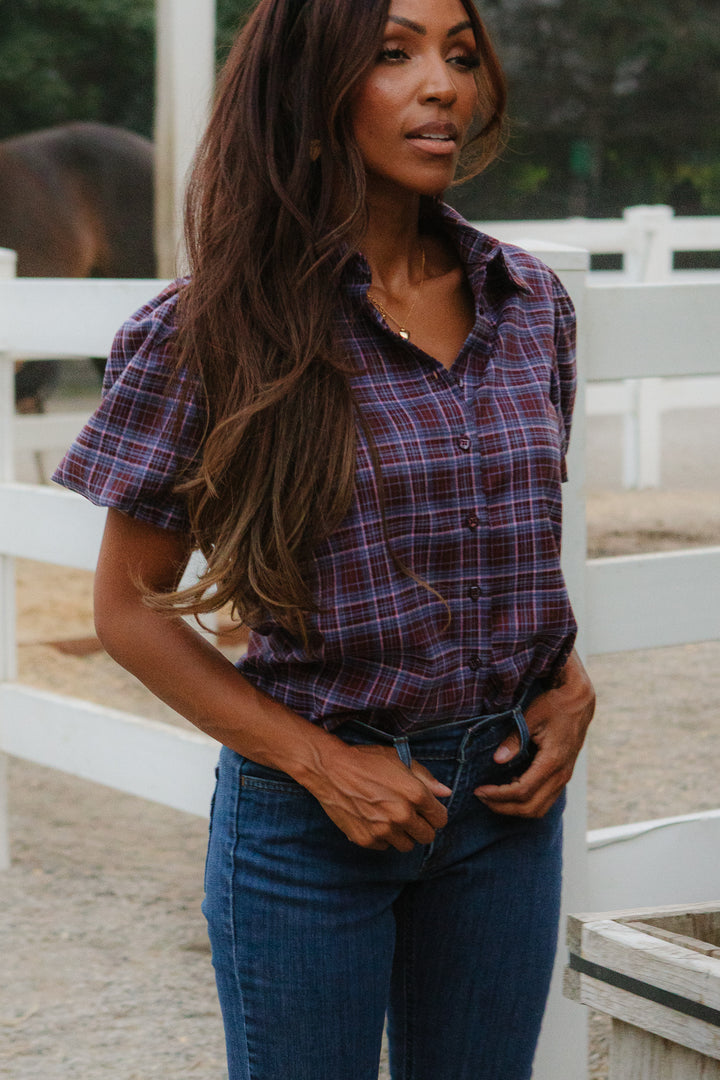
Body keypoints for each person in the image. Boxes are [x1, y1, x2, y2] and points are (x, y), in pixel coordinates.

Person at [53, 0, 595, 1077]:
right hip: (311, 819)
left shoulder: (531, 303)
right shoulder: (208, 331)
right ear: (311, 88)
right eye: (393, 54)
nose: (443, 84)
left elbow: (497, 541)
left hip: (503, 809)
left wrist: (568, 683)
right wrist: (321, 766)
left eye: (461, 55)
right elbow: (125, 611)